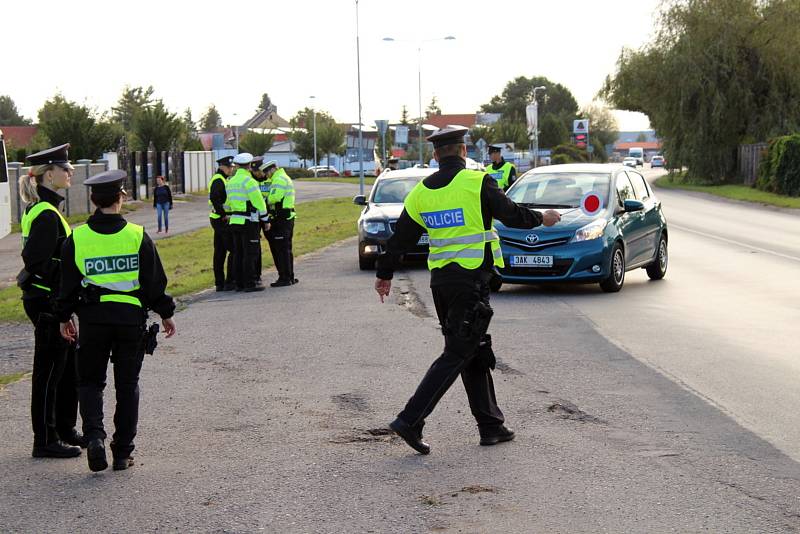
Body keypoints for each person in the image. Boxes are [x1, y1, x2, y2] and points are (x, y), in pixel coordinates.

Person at [374, 126, 561, 454]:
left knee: (472, 348)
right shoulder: (477, 182)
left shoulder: (420, 192)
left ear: (435, 155)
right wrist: (543, 218)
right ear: (463, 152)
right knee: (458, 352)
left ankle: (491, 425)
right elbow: (511, 214)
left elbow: (400, 239)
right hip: (471, 282)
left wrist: (384, 274)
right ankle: (410, 419)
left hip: (442, 285)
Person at [56, 169, 177, 472]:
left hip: (93, 321)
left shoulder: (78, 238)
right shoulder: (137, 235)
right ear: (121, 198)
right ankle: (122, 452)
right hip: (129, 321)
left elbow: (67, 286)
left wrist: (63, 317)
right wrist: (165, 312)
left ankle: (95, 437)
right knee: (127, 386)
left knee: (90, 382)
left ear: (94, 200)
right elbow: (153, 283)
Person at [17, 144, 84, 459]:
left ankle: (65, 430)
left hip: (53, 299)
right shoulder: (45, 212)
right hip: (45, 301)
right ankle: (44, 440)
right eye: (63, 167)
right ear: (47, 175)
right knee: (49, 371)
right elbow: (35, 261)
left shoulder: (47, 208)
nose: (69, 172)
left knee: (66, 366)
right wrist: (70, 271)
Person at [225, 153, 268, 292]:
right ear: (249, 166)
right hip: (249, 221)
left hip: (235, 221)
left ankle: (239, 283)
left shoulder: (231, 181)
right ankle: (250, 283)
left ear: (237, 166)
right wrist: (266, 219)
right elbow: (259, 203)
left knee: (238, 253)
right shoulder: (249, 182)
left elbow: (228, 203)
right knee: (250, 253)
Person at [262, 161, 297, 287]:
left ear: (272, 170)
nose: (266, 175)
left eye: (266, 172)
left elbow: (274, 198)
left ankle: (284, 277)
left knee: (281, 250)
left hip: (281, 219)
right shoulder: (283, 177)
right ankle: (290, 276)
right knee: (286, 249)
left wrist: (264, 200)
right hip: (286, 218)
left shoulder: (278, 179)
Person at [209, 155, 236, 291]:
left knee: (219, 251)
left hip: (218, 218)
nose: (231, 170)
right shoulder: (219, 180)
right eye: (229, 167)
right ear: (223, 167)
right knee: (233, 249)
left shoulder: (222, 179)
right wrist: (223, 214)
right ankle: (230, 281)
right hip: (221, 220)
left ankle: (220, 283)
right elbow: (215, 198)